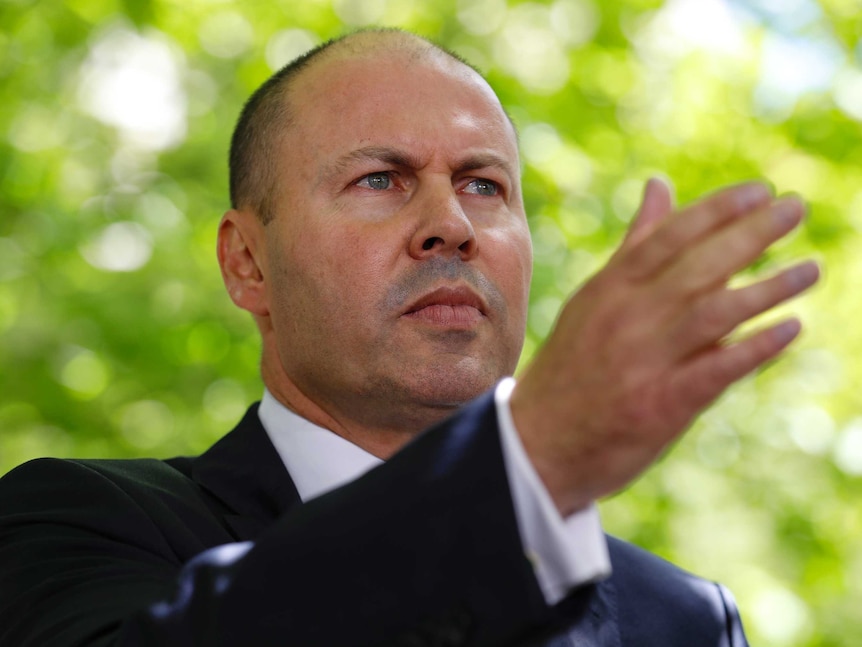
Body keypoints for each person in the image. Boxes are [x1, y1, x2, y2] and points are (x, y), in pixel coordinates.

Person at [0, 29, 819, 646]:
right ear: (247, 262)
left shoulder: (681, 618)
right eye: (380, 178)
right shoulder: (75, 523)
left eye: (484, 184)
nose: (451, 225)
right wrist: (529, 459)